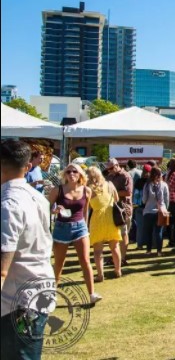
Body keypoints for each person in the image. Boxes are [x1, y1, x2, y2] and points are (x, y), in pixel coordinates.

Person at [1, 140, 55, 359]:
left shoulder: (8, 205)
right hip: (35, 293)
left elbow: (2, 268)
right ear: (27, 166)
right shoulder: (38, 198)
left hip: (16, 301)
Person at [47, 164, 101, 303]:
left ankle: (92, 294)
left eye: (75, 171)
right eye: (68, 171)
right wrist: (54, 211)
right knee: (59, 263)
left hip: (80, 228)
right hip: (61, 227)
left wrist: (86, 227)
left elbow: (86, 211)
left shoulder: (86, 191)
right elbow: (45, 207)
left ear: (80, 175)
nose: (71, 173)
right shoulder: (57, 190)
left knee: (85, 260)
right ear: (65, 175)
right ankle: (52, 295)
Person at [86, 167, 122, 281]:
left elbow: (88, 206)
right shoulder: (110, 184)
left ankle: (100, 275)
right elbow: (116, 199)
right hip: (111, 217)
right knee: (115, 247)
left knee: (97, 250)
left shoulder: (88, 189)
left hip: (97, 218)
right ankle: (118, 270)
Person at [105, 158, 133, 265]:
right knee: (114, 235)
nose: (110, 170)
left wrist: (112, 192)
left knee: (124, 233)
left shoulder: (125, 176)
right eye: (108, 169)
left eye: (111, 168)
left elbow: (128, 192)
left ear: (117, 165)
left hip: (123, 209)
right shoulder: (110, 176)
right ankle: (115, 257)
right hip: (112, 208)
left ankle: (122, 258)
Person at [142, 168, 169, 256]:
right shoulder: (164, 185)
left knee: (148, 232)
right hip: (160, 211)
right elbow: (166, 199)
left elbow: (144, 200)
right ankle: (159, 251)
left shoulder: (147, 185)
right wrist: (165, 208)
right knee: (159, 232)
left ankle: (148, 250)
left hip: (148, 211)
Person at [133, 165, 151, 249]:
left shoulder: (138, 182)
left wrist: (135, 205)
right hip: (149, 207)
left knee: (140, 227)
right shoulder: (150, 182)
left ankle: (139, 245)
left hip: (139, 206)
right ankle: (149, 243)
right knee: (149, 227)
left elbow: (135, 195)